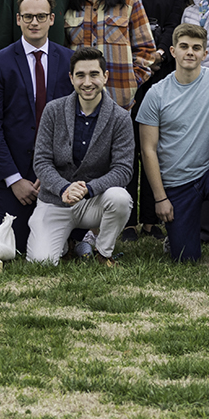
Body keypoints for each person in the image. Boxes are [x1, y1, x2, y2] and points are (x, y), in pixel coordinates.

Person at [137, 23, 209, 267]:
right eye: (184, 47)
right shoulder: (156, 94)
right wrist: (160, 198)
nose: (190, 52)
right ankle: (177, 236)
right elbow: (148, 150)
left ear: (205, 54)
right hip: (176, 181)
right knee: (186, 259)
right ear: (173, 51)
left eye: (196, 48)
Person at [0, 0, 70, 253]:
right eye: (27, 16)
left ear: (52, 19)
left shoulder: (68, 61)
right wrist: (13, 179)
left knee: (55, 244)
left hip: (56, 170)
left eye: (41, 16)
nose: (34, 22)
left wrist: (53, 174)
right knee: (17, 246)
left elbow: (71, 123)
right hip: (13, 171)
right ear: (17, 19)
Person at [26, 45, 136, 266]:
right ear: (71, 78)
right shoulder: (53, 111)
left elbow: (123, 170)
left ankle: (103, 253)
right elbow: (41, 161)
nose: (87, 82)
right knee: (41, 262)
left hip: (94, 201)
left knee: (121, 199)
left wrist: (89, 188)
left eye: (94, 74)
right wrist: (64, 188)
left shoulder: (121, 118)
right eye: (81, 75)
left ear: (105, 77)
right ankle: (66, 244)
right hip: (55, 200)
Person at [65, 0, 155, 110]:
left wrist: (132, 81)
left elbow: (146, 50)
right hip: (76, 100)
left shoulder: (130, 1)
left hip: (119, 99)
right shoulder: (69, 2)